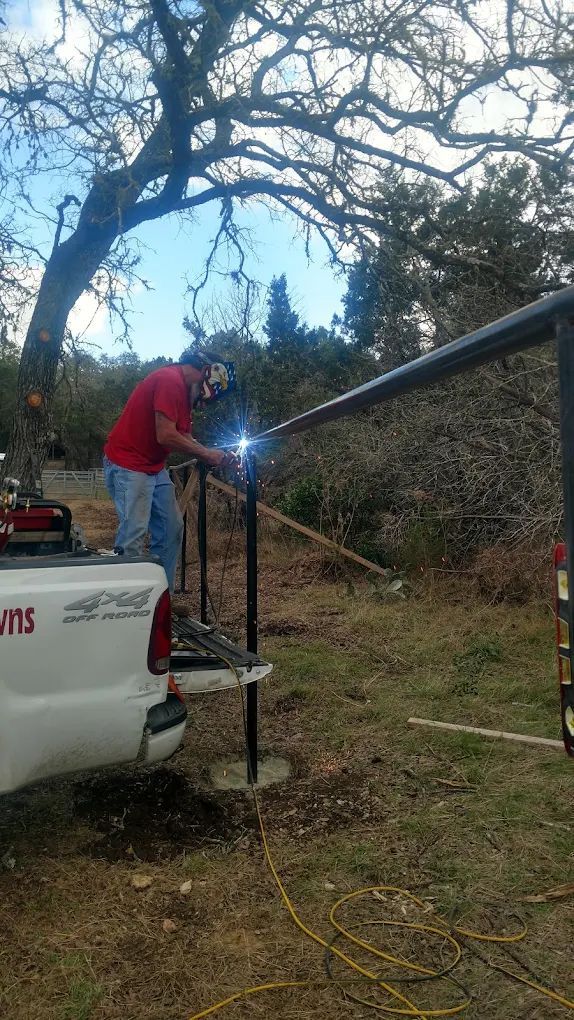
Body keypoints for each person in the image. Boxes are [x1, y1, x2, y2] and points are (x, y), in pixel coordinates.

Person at [103, 348, 236, 606]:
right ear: (207, 375)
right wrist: (207, 453)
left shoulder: (184, 395)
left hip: (152, 466)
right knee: (134, 532)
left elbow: (183, 436)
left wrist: (212, 454)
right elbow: (165, 435)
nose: (203, 403)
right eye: (206, 397)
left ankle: (160, 601)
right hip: (128, 463)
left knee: (171, 527)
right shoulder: (170, 380)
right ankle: (124, 606)